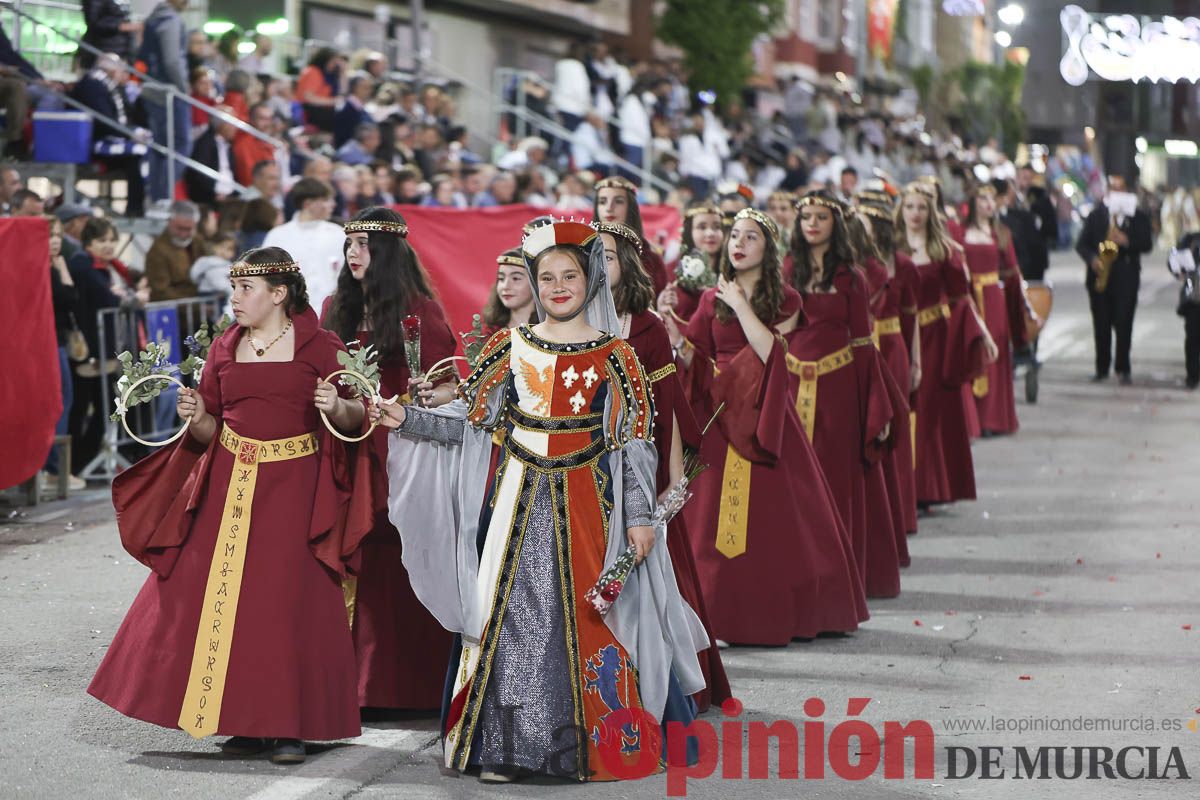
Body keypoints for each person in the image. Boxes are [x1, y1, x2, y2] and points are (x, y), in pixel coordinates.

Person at [373, 220, 706, 782]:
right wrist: (409, 419)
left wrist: (643, 518)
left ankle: (587, 744)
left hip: (587, 507)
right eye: (545, 276)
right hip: (514, 505)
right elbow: (470, 425)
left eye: (569, 275)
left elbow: (635, 448)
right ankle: (505, 748)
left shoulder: (618, 356)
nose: (556, 286)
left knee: (587, 616)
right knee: (512, 621)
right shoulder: (510, 348)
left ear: (590, 280)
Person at [88, 246, 370, 765]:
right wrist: (195, 416)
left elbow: (356, 422)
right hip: (229, 485)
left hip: (296, 487)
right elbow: (210, 428)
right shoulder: (223, 347)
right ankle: (243, 719)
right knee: (213, 598)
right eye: (234, 289)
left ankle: (288, 726)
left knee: (284, 603)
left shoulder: (322, 347)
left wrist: (342, 406)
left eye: (246, 289)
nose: (235, 299)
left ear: (279, 293)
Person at [665, 207, 867, 644]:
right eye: (734, 235)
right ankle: (715, 615)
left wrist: (739, 305)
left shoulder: (787, 299)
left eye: (750, 237)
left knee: (777, 522)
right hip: (720, 413)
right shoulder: (708, 299)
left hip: (763, 411)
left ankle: (769, 613)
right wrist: (673, 334)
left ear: (768, 248)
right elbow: (694, 357)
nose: (737, 243)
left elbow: (771, 351)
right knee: (708, 523)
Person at [320, 207, 457, 711]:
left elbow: (446, 388)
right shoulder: (335, 307)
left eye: (363, 244)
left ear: (387, 252)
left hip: (402, 454)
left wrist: (422, 398)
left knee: (399, 556)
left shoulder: (421, 310)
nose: (353, 253)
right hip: (346, 446)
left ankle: (400, 684)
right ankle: (349, 681)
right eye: (348, 244)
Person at [595, 220, 731, 713]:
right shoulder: (570, 319)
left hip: (638, 466)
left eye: (607, 256)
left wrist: (673, 483)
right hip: (581, 467)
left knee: (650, 579)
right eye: (591, 255)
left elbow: (669, 407)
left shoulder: (647, 327)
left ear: (626, 264)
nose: (597, 264)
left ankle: (657, 682)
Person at [788, 191, 899, 598]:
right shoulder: (787, 270)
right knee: (797, 482)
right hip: (791, 383)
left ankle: (841, 581)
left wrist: (875, 403)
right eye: (806, 217)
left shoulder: (851, 276)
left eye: (821, 216)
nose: (812, 223)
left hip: (839, 390)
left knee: (837, 480)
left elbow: (864, 343)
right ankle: (802, 575)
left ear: (836, 224)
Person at [895, 182, 994, 506]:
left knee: (927, 411)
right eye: (909, 207)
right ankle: (902, 486)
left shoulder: (945, 251)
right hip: (898, 334)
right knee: (901, 408)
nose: (915, 214)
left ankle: (926, 488)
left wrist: (984, 334)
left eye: (921, 208)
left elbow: (962, 298)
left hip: (935, 335)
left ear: (931, 212)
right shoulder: (892, 248)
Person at [855, 198, 919, 538]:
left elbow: (913, 316)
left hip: (892, 346)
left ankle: (902, 513)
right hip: (862, 348)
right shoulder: (852, 265)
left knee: (892, 424)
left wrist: (916, 359)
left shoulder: (901, 264)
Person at [68, 217, 147, 472]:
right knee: (85, 407)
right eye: (102, 241)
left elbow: (122, 296)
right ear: (88, 243)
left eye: (113, 240)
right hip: (90, 349)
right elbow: (109, 299)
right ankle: (76, 463)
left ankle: (86, 460)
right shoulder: (83, 266)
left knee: (108, 407)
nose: (109, 246)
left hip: (112, 346)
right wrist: (136, 297)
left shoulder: (113, 267)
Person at [956, 184, 1027, 436]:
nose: (988, 203)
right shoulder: (960, 232)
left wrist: (1020, 305)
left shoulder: (1001, 233)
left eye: (990, 199)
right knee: (968, 350)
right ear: (973, 202)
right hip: (968, 298)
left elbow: (1012, 271)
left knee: (994, 353)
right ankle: (971, 419)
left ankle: (992, 419)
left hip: (993, 299)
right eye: (982, 198)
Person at [1075, 175, 1154, 385]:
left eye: (1121, 189)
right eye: (1113, 189)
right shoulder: (1096, 215)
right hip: (1100, 274)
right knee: (1100, 325)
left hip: (1126, 276)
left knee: (1124, 323)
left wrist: (1127, 241)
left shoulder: (1138, 216)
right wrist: (1093, 259)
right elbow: (1081, 244)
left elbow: (1147, 244)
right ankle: (1101, 368)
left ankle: (1122, 368)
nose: (1117, 193)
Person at [41, 215, 87, 492]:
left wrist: (61, 267)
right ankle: (52, 468)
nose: (55, 240)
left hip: (57, 340)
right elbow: (68, 298)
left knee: (64, 400)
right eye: (49, 235)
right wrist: (62, 271)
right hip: (47, 344)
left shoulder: (55, 265)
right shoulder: (42, 269)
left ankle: (55, 467)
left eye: (57, 234)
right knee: (59, 401)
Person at [263, 179, 345, 312]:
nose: (333, 204)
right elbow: (264, 277)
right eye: (326, 200)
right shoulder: (278, 236)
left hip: (331, 314)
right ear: (308, 204)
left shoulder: (338, 234)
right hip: (290, 314)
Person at [139, 0, 191, 203]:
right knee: (181, 144)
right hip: (170, 93)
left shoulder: (152, 19)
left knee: (160, 146)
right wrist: (184, 89)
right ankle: (162, 196)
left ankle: (156, 196)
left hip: (153, 89)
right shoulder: (170, 21)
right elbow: (172, 61)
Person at [593, 175, 669, 294]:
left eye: (618, 201)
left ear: (631, 207)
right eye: (602, 202)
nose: (609, 208)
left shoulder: (651, 258)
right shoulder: (585, 251)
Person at [657, 202, 722, 327]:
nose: (710, 233)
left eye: (716, 227)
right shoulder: (670, 271)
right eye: (702, 227)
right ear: (688, 231)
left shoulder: (732, 272)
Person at [145, 200, 203, 301]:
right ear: (169, 222)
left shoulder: (198, 242)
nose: (183, 235)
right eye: (179, 228)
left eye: (188, 229)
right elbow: (160, 291)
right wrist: (196, 305)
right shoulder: (158, 251)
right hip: (172, 312)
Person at [184, 106, 237, 206]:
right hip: (210, 199)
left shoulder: (228, 146)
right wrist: (214, 195)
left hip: (229, 197)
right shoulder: (205, 144)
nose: (236, 128)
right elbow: (198, 177)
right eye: (233, 123)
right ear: (222, 125)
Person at [480, 249, 537, 335]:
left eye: (516, 278)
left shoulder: (551, 331)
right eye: (501, 278)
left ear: (534, 283)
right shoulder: (489, 334)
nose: (505, 286)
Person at [1172, 232, 1200, 389]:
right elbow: (1173, 260)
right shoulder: (1190, 239)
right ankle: (1193, 376)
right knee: (1193, 337)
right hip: (1194, 297)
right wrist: (1177, 269)